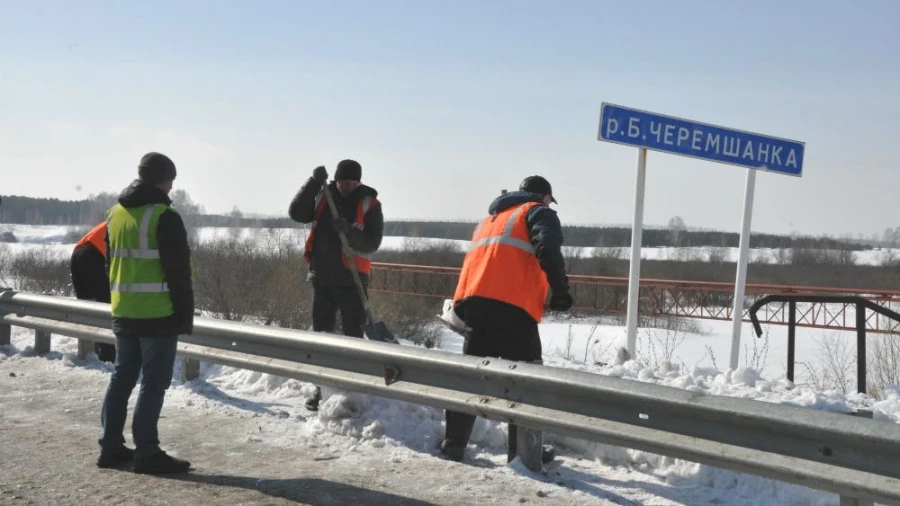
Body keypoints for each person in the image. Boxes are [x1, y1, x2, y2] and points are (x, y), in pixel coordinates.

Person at [440, 175, 573, 466]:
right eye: (550, 199)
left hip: (474, 303)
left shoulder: (492, 217)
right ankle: (524, 456)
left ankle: (453, 446)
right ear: (544, 196)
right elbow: (547, 244)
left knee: (475, 376)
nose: (550, 204)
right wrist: (560, 289)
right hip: (512, 306)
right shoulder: (538, 211)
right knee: (525, 379)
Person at [97, 152, 194, 474]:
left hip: (124, 309)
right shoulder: (165, 216)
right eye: (171, 181)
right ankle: (147, 452)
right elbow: (179, 272)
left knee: (122, 377)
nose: (172, 188)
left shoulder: (115, 214)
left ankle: (110, 448)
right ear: (164, 180)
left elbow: (111, 261)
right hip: (157, 313)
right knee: (153, 383)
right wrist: (184, 314)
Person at [288, 159, 384, 411]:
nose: (348, 186)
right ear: (336, 180)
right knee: (322, 337)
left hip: (353, 281)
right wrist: (311, 184)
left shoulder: (369, 204)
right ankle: (321, 389)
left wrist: (350, 232)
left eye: (353, 182)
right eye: (343, 182)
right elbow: (297, 213)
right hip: (322, 278)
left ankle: (352, 391)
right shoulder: (323, 196)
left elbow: (372, 243)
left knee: (353, 337)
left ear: (359, 181)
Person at [71, 222, 116, 362]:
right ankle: (107, 356)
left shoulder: (120, 217)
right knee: (105, 308)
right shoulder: (139, 221)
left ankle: (90, 352)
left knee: (88, 308)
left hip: (79, 253)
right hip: (96, 256)